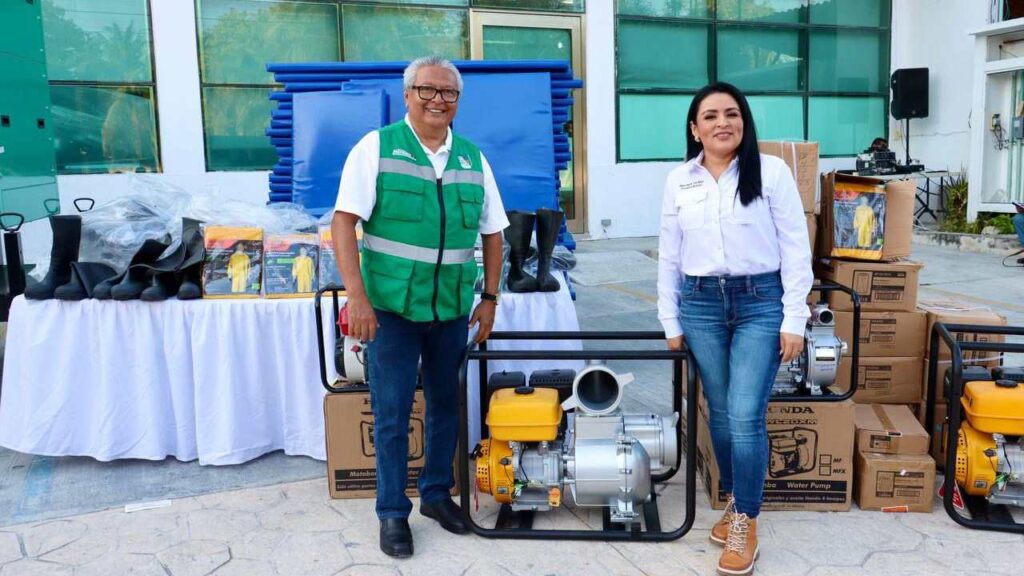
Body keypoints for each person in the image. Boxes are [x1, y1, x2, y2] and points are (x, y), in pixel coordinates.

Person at [331, 55, 509, 558]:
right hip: (389, 310)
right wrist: (357, 297)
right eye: (427, 90)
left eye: (448, 92)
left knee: (446, 405)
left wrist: (489, 298)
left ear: (458, 101)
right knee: (391, 412)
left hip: (450, 310)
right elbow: (343, 222)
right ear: (407, 94)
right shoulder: (377, 148)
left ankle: (435, 495)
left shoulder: (473, 159)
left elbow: (494, 232)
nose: (438, 100)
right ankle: (392, 512)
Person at [657, 82, 812, 576]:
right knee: (721, 414)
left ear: (744, 121)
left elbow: (796, 247)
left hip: (760, 303)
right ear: (694, 129)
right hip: (700, 304)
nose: (722, 122)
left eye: (732, 113)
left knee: (745, 414)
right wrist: (669, 318)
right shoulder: (679, 180)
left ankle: (746, 518)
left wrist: (794, 318)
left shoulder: (771, 172)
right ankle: (736, 501)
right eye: (710, 116)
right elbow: (669, 255)